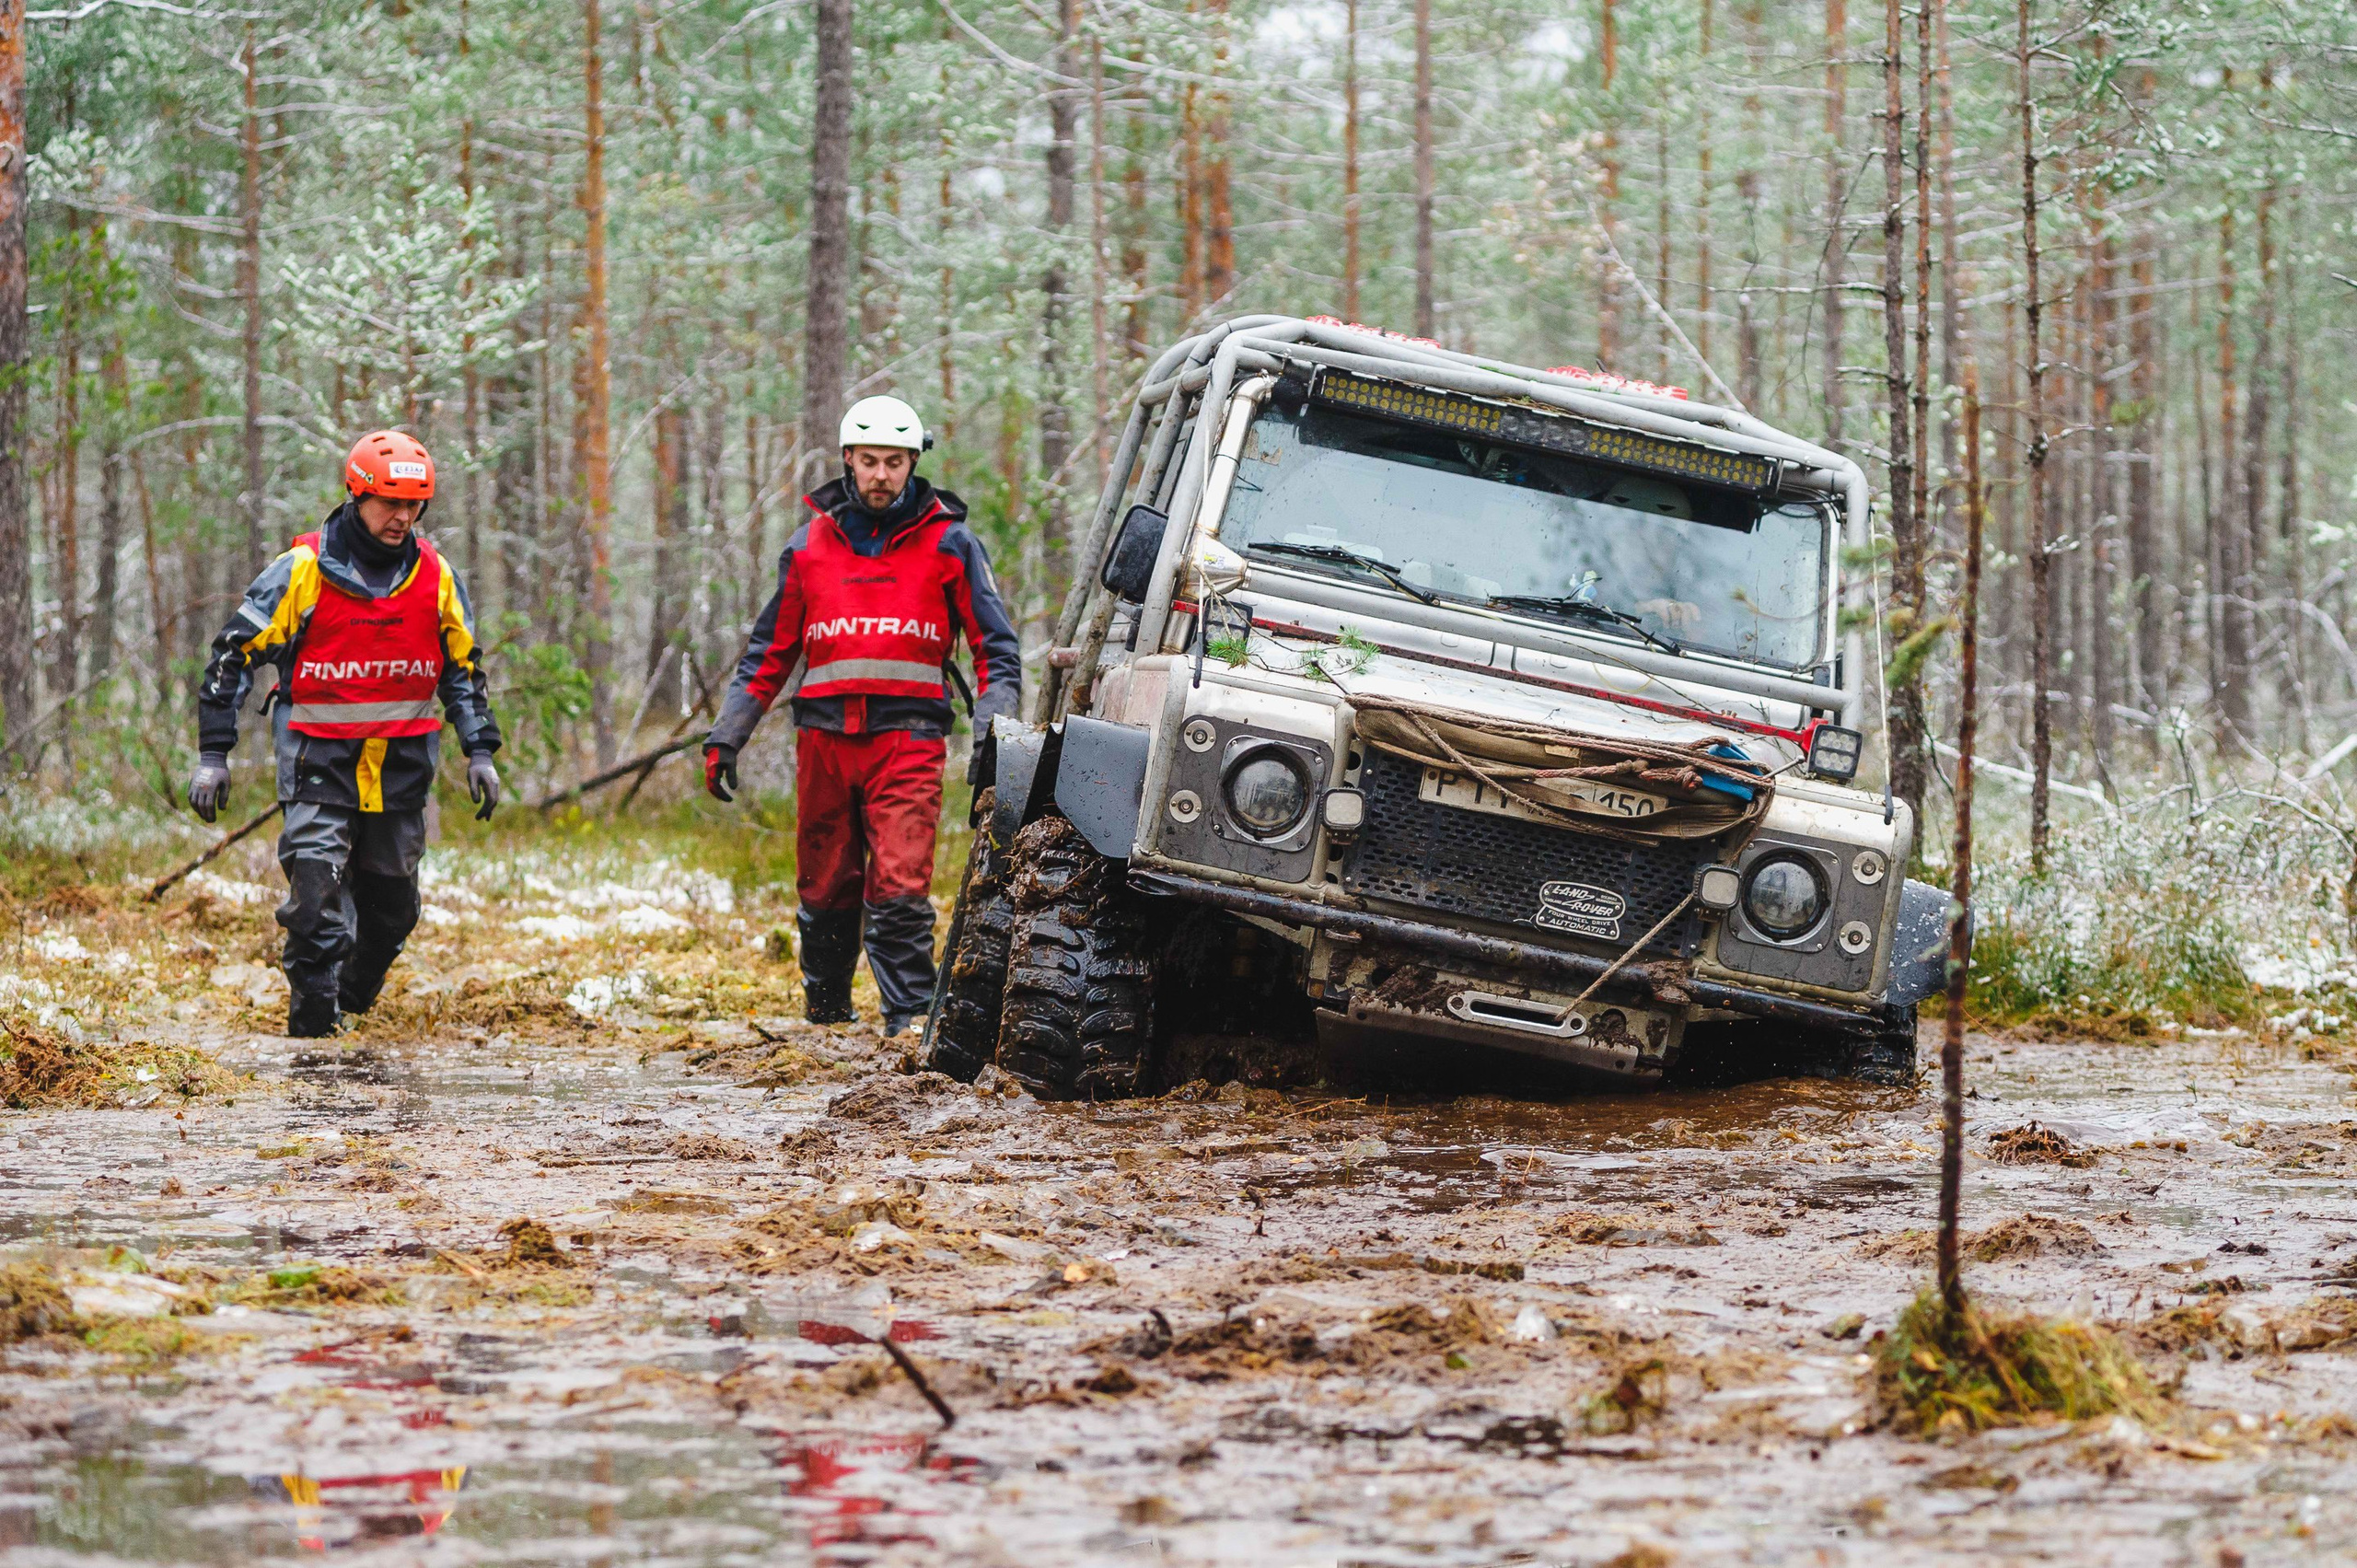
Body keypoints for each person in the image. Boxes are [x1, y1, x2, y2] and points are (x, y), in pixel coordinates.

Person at [705, 395, 1022, 1036]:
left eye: (895, 462)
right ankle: (825, 1014)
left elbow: (997, 650)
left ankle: (908, 1023)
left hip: (908, 738)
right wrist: (726, 736)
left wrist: (997, 735)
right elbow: (769, 653)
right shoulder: (809, 546)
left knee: (900, 880)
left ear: (914, 462)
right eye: (870, 460)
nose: (882, 474)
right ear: (848, 459)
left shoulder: (951, 542)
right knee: (825, 885)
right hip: (823, 739)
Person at [189, 431, 504, 1039]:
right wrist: (213, 755)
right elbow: (231, 656)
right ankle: (311, 1033)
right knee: (315, 902)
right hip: (317, 764)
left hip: (402, 770)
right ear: (356, 495)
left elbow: (464, 670)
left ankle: (352, 994)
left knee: (392, 912)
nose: (402, 516)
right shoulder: (300, 572)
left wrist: (481, 750)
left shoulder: (437, 578)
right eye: (390, 502)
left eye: (414, 504)